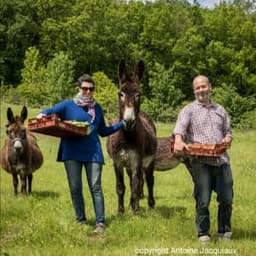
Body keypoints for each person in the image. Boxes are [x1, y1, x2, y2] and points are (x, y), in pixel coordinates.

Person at [36, 74, 123, 234]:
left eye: (91, 89)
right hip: (71, 152)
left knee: (95, 186)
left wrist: (121, 124)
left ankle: (100, 223)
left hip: (93, 152)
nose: (88, 92)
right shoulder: (68, 105)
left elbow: (103, 132)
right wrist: (42, 114)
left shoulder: (97, 108)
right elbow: (48, 111)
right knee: (75, 187)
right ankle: (81, 220)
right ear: (79, 88)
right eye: (85, 88)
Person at [173, 75, 233, 243]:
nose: (201, 90)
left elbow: (228, 131)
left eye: (203, 86)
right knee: (203, 200)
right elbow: (179, 129)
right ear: (194, 91)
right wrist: (178, 140)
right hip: (200, 163)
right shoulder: (188, 110)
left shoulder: (220, 109)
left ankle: (224, 232)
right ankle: (203, 233)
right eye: (198, 88)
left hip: (222, 161)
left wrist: (228, 138)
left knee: (227, 198)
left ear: (210, 87)